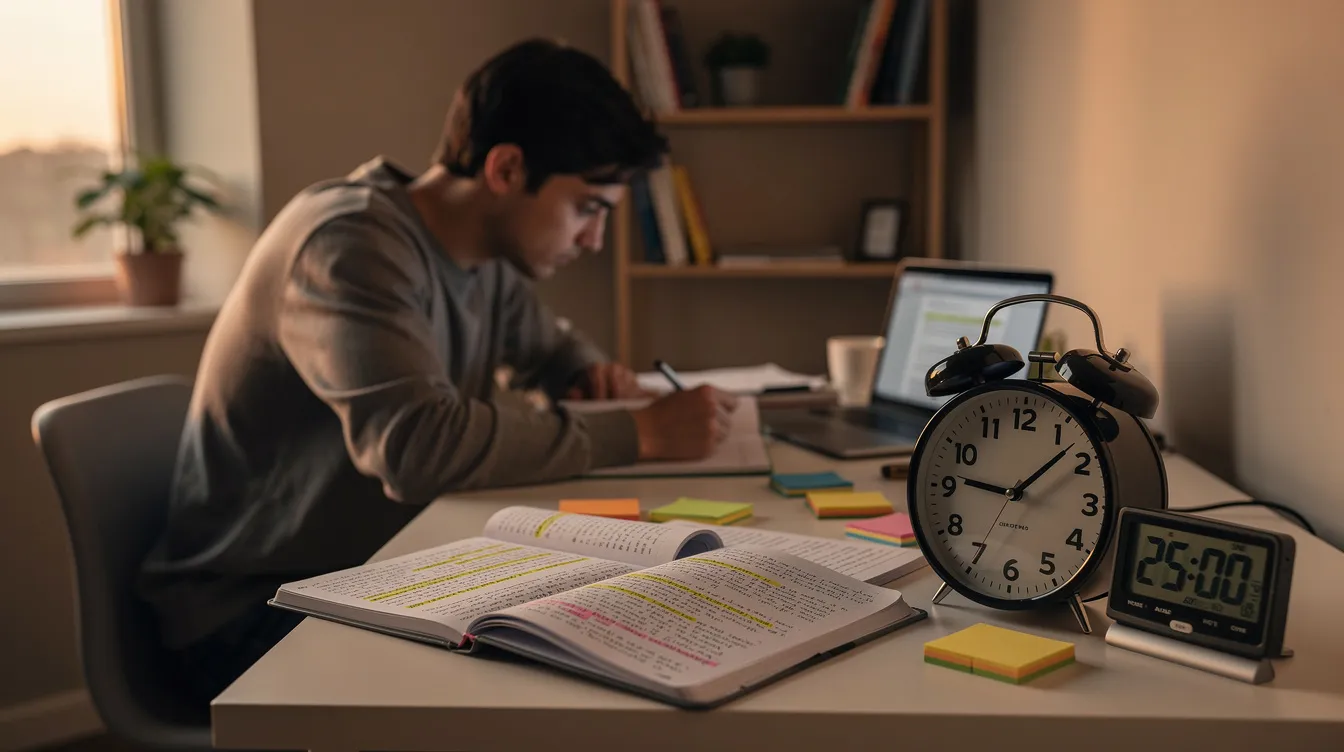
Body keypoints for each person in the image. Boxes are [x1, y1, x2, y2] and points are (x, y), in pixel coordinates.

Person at [137, 38, 738, 704]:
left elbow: (554, 349)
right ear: (507, 169)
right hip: (248, 613)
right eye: (587, 208)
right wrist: (641, 433)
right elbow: (418, 447)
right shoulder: (349, 245)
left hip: (368, 576)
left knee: (600, 634)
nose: (594, 240)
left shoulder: (481, 255)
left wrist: (588, 374)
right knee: (567, 680)